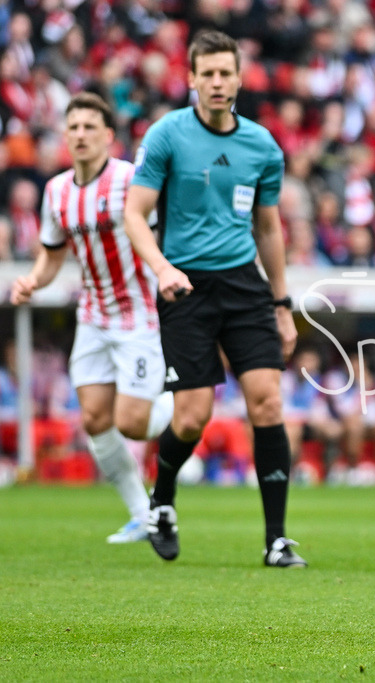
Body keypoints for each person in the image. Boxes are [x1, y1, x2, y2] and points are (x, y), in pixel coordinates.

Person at [123, 30, 304, 567]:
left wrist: (283, 304)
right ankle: (162, 498)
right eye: (209, 74)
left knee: (267, 402)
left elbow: (268, 229)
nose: (219, 82)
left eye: (227, 72)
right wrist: (161, 268)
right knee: (191, 419)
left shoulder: (262, 146)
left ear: (240, 78)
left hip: (245, 285)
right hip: (185, 287)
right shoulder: (167, 136)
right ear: (193, 79)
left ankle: (276, 539)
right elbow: (135, 213)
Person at [9, 93, 173, 543]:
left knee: (133, 422)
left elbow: (162, 236)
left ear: (108, 136)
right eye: (73, 127)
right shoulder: (56, 190)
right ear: (65, 135)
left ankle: (187, 404)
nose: (80, 134)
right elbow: (51, 256)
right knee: (96, 419)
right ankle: (143, 513)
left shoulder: (130, 180)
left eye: (89, 127)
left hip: (139, 317)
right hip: (93, 318)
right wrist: (32, 282)